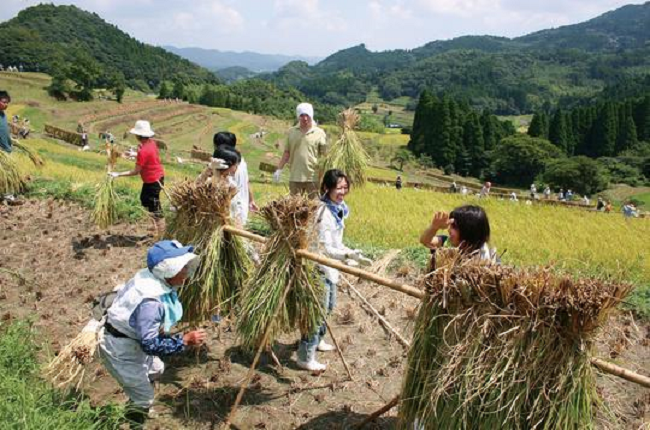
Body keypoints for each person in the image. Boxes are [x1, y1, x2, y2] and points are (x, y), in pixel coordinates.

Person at [99, 240, 206, 425]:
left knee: (157, 369)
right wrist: (184, 341)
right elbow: (150, 344)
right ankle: (135, 419)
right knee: (144, 398)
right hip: (120, 348)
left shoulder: (149, 277)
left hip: (132, 339)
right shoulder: (150, 303)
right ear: (168, 271)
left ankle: (138, 397)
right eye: (182, 269)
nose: (186, 274)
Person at [298, 169, 371, 371]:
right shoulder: (322, 212)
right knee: (317, 311)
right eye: (338, 188)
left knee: (329, 306)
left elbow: (337, 243)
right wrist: (346, 258)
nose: (343, 191)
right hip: (318, 266)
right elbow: (324, 247)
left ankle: (318, 340)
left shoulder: (338, 208)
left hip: (331, 266)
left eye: (345, 187)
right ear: (326, 188)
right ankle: (305, 356)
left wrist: (352, 253)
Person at [110, 120, 165, 234]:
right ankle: (155, 226)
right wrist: (135, 154)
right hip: (157, 177)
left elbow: (135, 171)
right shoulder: (151, 143)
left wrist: (118, 174)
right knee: (145, 199)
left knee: (155, 206)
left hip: (153, 181)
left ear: (138, 135)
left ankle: (161, 231)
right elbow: (149, 155)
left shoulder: (143, 151)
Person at [274, 103, 327, 198]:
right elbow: (287, 152)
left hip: (312, 177)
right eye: (302, 115)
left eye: (307, 115)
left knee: (314, 206)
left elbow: (324, 156)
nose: (305, 118)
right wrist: (279, 169)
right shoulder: (292, 132)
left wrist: (322, 176)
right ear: (298, 117)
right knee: (295, 208)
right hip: (295, 176)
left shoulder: (319, 133)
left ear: (311, 115)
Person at [419, 205, 496, 266]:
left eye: (454, 227)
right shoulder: (448, 242)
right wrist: (434, 227)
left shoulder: (484, 258)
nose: (449, 230)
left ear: (468, 231)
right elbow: (425, 241)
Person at [212, 132, 258, 224]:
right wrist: (251, 200)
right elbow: (247, 182)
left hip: (233, 210)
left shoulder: (228, 168)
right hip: (240, 207)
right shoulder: (241, 161)